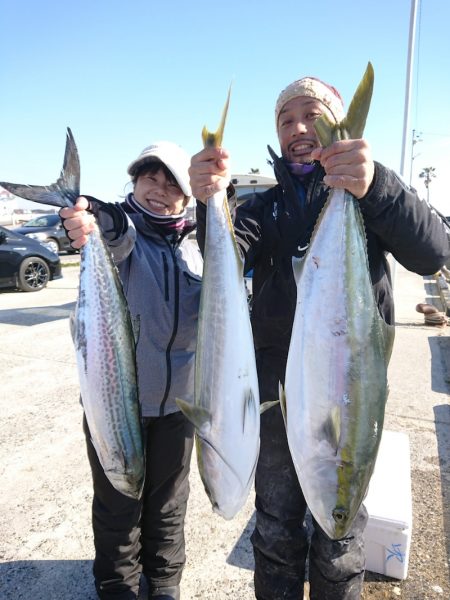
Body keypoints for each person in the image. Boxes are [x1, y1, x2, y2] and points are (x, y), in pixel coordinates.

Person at [189, 76, 450, 599]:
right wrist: (210, 201)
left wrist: (374, 184)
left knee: (339, 540)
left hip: (346, 394)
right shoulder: (265, 208)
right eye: (286, 120)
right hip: (274, 398)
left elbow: (432, 253)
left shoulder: (369, 194)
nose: (299, 128)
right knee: (276, 531)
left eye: (312, 115)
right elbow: (224, 253)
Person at [60, 141, 203, 600]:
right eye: (149, 178)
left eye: (171, 183)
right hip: (116, 402)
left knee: (168, 503)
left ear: (186, 196)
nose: (158, 190)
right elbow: (112, 227)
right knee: (119, 503)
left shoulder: (199, 247)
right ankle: (117, 585)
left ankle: (162, 581)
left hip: (180, 402)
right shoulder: (123, 233)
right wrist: (88, 218)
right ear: (134, 184)